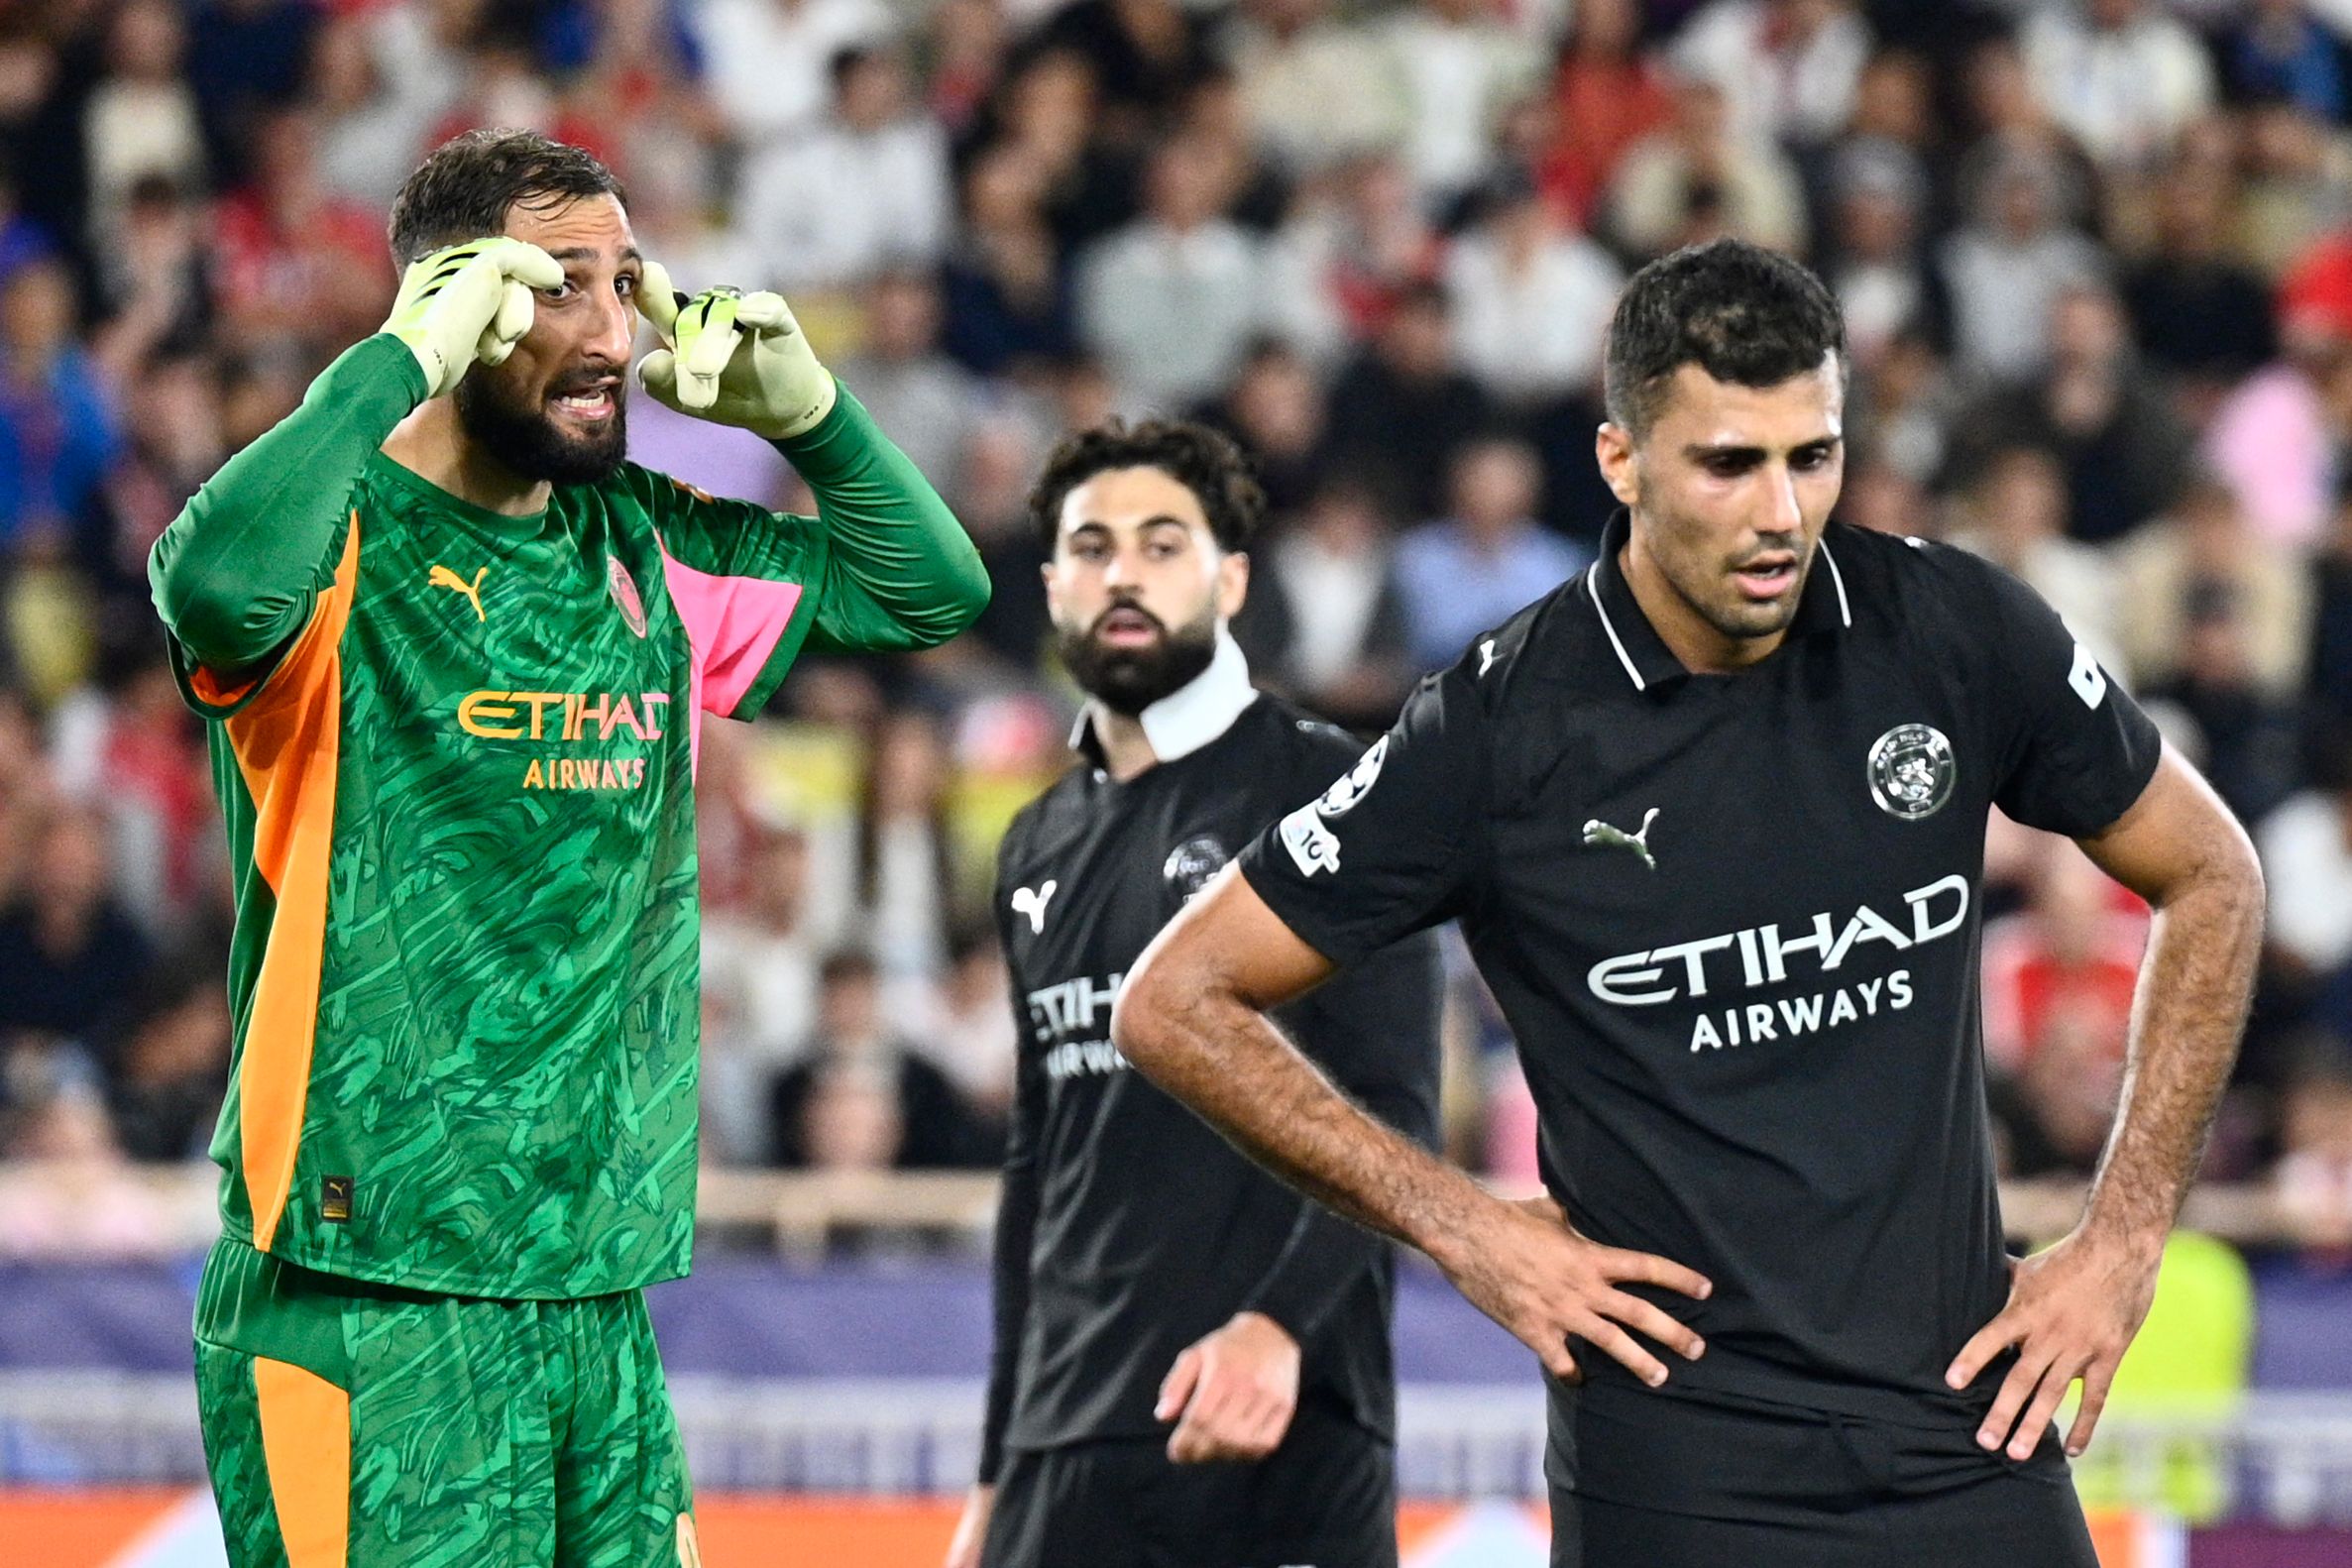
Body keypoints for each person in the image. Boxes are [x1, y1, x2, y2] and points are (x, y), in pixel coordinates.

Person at [1110, 239, 2266, 1568]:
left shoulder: (1951, 631)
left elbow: (2212, 869)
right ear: (1621, 461)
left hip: (1968, 1426)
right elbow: (1175, 1001)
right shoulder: (1499, 728)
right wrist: (1462, 1225)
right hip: (1677, 1464)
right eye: (1728, 463)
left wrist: (2123, 1236)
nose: (1781, 511)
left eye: (1811, 455)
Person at [147, 129, 988, 1567]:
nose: (614, 333)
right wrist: (390, 366)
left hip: (594, 1276)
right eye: (558, 290)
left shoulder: (644, 542)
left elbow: (928, 592)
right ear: (451, 308)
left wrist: (816, 417)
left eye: (626, 283)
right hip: (369, 1275)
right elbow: (211, 581)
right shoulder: (337, 543)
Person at [945, 419, 1441, 1568]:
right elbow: (1039, 1169)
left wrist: (1279, 1330)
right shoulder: (1033, 840)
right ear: (1054, 585)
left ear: (1231, 578)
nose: (1125, 572)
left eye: (1163, 544)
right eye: (1094, 546)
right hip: (1064, 1451)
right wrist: (993, 1466)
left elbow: (1394, 1110)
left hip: (1279, 1424)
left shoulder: (1336, 791)